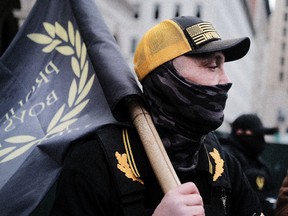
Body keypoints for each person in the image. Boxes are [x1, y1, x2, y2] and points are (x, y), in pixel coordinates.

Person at [50, 16, 264, 215]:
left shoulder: (222, 165)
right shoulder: (94, 163)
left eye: (223, 65)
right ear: (166, 79)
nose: (225, 80)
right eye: (212, 66)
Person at [218, 114, 278, 215]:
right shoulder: (224, 157)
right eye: (256, 135)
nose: (261, 140)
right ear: (239, 132)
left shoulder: (260, 164)